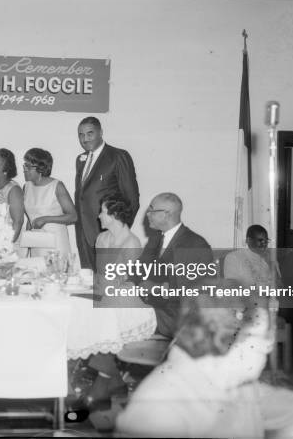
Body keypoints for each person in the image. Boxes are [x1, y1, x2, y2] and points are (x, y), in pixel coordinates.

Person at [116, 280, 293, 438]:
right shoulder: (158, 410)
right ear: (226, 340)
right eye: (262, 337)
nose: (269, 345)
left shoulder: (235, 383)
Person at [81, 194, 143, 410]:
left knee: (98, 317)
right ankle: (112, 379)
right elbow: (100, 276)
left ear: (115, 215)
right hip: (105, 295)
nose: (98, 215)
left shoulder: (132, 243)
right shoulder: (102, 239)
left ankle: (105, 380)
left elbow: (131, 282)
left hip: (127, 300)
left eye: (103, 211)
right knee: (78, 307)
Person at [138, 192, 213, 339]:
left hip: (178, 318)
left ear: (166, 214)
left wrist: (155, 288)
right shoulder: (155, 239)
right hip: (153, 309)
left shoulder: (194, 244)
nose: (148, 214)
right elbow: (139, 269)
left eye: (151, 210)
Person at [74, 116, 140, 271]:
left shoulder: (118, 156)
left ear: (101, 132)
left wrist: (119, 231)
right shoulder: (80, 159)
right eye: (81, 135)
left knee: (111, 281)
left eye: (90, 134)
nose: (85, 139)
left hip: (107, 231)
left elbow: (131, 198)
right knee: (89, 282)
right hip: (83, 231)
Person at [22, 148, 76, 257]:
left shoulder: (57, 186)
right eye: (24, 165)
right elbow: (30, 218)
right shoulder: (27, 186)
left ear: (40, 168)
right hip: (36, 243)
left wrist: (46, 219)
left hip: (56, 244)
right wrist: (27, 244)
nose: (24, 169)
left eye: (28, 166)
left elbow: (73, 216)